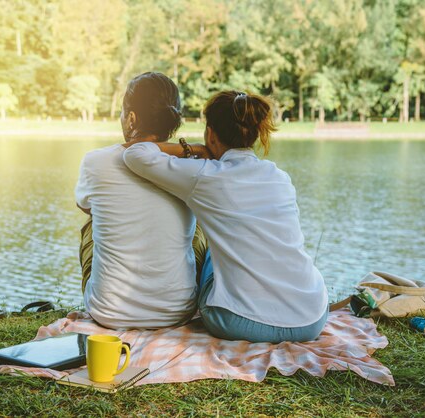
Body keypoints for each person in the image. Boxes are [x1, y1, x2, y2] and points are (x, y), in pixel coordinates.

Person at [123, 91, 328, 343]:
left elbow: (135, 154)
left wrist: (193, 149)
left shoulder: (205, 176)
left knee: (208, 247)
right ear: (253, 134)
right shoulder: (279, 177)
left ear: (210, 133)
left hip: (239, 321)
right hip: (311, 319)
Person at [75, 72, 207, 329]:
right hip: (177, 313)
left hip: (109, 313)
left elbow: (85, 206)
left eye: (124, 113)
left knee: (91, 225)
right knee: (200, 224)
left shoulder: (95, 162)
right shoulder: (191, 165)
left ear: (132, 117)